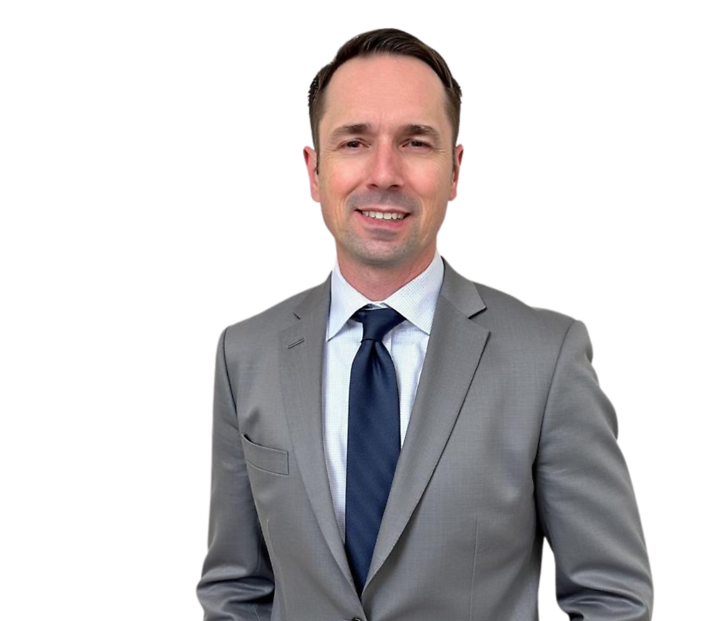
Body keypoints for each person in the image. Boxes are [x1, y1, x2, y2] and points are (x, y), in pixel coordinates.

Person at [196, 26, 655, 620]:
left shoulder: (547, 357)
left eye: (415, 142)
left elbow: (613, 598)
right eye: (354, 142)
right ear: (312, 170)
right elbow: (234, 589)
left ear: (456, 169)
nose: (383, 173)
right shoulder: (244, 352)